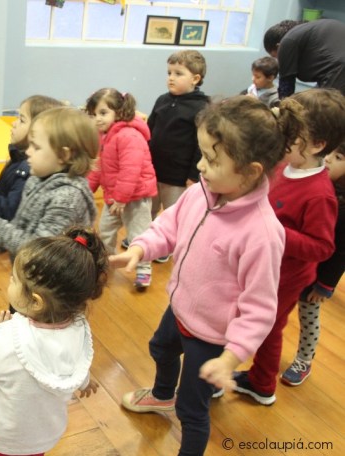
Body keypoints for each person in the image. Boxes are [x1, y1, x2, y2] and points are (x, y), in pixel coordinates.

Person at [112, 95, 303, 455]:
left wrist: (230, 358)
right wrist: (140, 248)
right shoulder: (202, 192)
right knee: (159, 348)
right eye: (202, 154)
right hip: (179, 308)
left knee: (192, 410)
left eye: (212, 160)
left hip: (212, 335)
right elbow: (169, 225)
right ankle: (161, 395)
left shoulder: (262, 234)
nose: (200, 166)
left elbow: (260, 309)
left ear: (251, 172)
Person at [235, 88, 345, 405]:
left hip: (285, 277)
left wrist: (276, 232)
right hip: (261, 265)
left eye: (291, 134)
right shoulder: (285, 164)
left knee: (269, 328)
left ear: (317, 145)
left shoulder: (320, 194)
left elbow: (322, 248)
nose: (282, 138)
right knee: (245, 317)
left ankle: (262, 384)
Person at [0, 227, 107, 456]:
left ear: (36, 302)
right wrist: (84, 382)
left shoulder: (9, 339)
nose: (10, 280)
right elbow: (69, 360)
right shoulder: (78, 327)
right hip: (41, 438)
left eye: (15, 279)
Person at [0, 106, 98, 263]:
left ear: (63, 155)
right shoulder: (37, 178)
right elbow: (21, 222)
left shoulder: (68, 200)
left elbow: (40, 251)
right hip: (28, 269)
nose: (28, 152)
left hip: (49, 276)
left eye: (36, 147)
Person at [281, 144, 345, 386]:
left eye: (338, 158)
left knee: (308, 316)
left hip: (318, 275)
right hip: (295, 267)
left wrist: (325, 286)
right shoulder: (320, 184)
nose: (328, 160)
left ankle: (304, 360)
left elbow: (340, 253)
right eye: (329, 154)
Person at [85, 88, 156, 289]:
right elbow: (98, 167)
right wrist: (87, 190)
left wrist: (121, 198)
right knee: (105, 231)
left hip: (135, 197)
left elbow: (131, 170)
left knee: (138, 235)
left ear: (119, 111)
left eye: (103, 113)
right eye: (94, 115)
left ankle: (143, 269)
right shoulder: (104, 136)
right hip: (114, 197)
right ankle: (107, 264)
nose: (97, 119)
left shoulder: (129, 135)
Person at [144, 50, 209, 262]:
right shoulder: (162, 100)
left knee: (172, 214)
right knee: (148, 210)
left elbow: (201, 145)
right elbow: (148, 131)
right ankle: (146, 241)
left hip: (178, 176)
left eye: (178, 73)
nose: (171, 77)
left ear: (195, 79)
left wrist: (193, 176)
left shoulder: (202, 106)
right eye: (169, 72)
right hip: (153, 171)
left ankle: (167, 246)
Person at [0, 95, 63, 221]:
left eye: (22, 120)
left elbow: (10, 212)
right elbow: (9, 195)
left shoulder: (29, 169)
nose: (14, 123)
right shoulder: (19, 157)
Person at [264, 19, 345, 98]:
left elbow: (286, 89)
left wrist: (283, 105)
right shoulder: (314, 30)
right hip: (338, 70)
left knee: (324, 105)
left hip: (339, 70)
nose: (280, 61)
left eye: (276, 56)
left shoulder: (287, 41)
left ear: (279, 47)